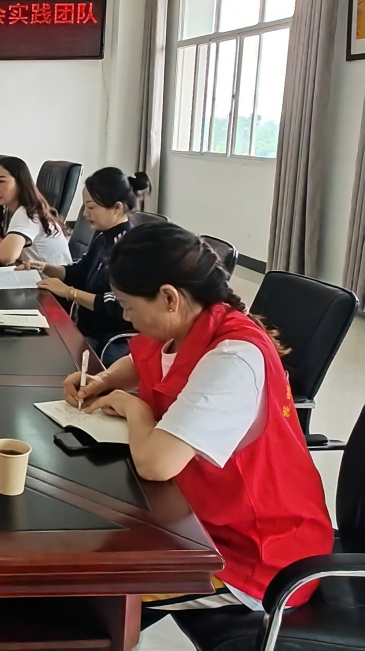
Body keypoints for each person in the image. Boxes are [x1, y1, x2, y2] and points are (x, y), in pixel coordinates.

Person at [68, 223, 332, 620]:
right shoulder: (185, 322)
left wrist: (135, 409)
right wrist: (101, 381)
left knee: (88, 591)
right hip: (190, 516)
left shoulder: (233, 359)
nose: (125, 316)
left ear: (169, 297)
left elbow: (157, 464)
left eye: (128, 305)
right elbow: (142, 360)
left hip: (251, 554)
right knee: (87, 545)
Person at [25, 168, 150, 364]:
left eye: (91, 207)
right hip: (85, 328)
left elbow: (116, 304)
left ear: (117, 208)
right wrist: (45, 267)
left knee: (40, 355)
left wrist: (69, 292)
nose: (85, 213)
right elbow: (80, 272)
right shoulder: (104, 237)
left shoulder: (130, 247)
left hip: (107, 338)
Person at [0, 156, 71, 265]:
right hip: (35, 271)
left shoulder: (27, 213)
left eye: (1, 181)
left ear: (20, 183)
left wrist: (1, 243)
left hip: (52, 275)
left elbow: (6, 257)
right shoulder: (10, 211)